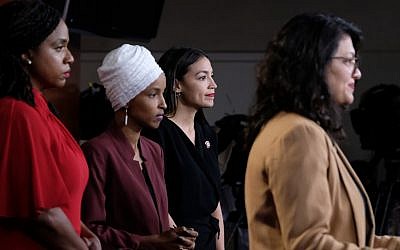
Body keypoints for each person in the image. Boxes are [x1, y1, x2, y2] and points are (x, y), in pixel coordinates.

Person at [244, 12, 400, 249]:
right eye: (348, 61)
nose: (357, 73)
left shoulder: (298, 129)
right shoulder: (296, 134)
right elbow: (310, 244)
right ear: (315, 64)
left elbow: (352, 239)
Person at [0, 0, 100, 249]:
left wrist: (84, 233)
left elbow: (58, 200)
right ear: (26, 53)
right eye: (59, 48)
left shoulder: (40, 109)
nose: (70, 58)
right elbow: (41, 214)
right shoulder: (16, 113)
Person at [81, 44, 198, 250]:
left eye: (162, 94)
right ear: (126, 99)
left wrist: (175, 237)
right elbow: (90, 229)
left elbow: (158, 219)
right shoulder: (97, 152)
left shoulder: (154, 150)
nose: (163, 103)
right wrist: (147, 243)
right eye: (153, 94)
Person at [143, 47, 225, 250]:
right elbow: (155, 199)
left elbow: (214, 202)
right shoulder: (158, 132)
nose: (213, 85)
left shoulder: (207, 133)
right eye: (202, 77)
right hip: (177, 241)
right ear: (177, 84)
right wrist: (179, 240)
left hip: (208, 239)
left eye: (211, 76)